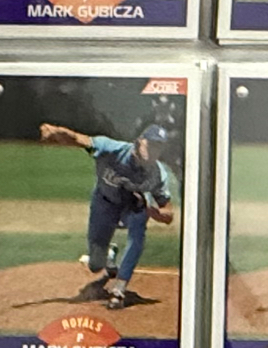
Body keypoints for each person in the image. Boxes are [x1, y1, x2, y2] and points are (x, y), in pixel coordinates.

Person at [35, 121, 175, 308]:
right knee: (95, 265)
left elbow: (168, 214)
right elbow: (78, 139)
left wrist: (155, 213)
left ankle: (119, 288)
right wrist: (56, 131)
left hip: (131, 208)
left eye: (158, 147)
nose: (153, 150)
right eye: (151, 144)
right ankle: (109, 257)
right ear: (140, 141)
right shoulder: (112, 149)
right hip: (104, 203)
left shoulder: (157, 174)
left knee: (138, 229)